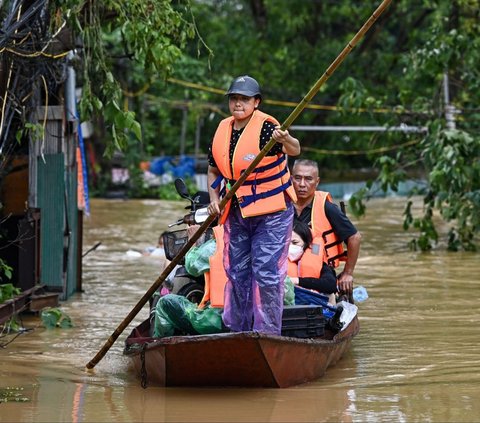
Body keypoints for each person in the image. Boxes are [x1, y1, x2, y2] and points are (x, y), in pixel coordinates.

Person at [206, 75, 301, 335]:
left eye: (245, 99)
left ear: (256, 102)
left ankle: (268, 334)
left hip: (272, 213)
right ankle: (237, 330)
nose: (238, 103)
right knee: (236, 273)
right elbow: (213, 170)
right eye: (234, 98)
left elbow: (295, 149)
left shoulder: (268, 129)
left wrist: (285, 139)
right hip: (237, 211)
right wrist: (214, 200)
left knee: (266, 273)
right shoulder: (223, 129)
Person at [291, 159, 361, 297]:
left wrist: (347, 273)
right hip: (285, 267)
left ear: (317, 182)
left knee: (330, 287)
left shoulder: (327, 207)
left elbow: (355, 237)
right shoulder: (281, 205)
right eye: (298, 178)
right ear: (291, 179)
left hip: (320, 269)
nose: (302, 184)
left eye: (308, 179)